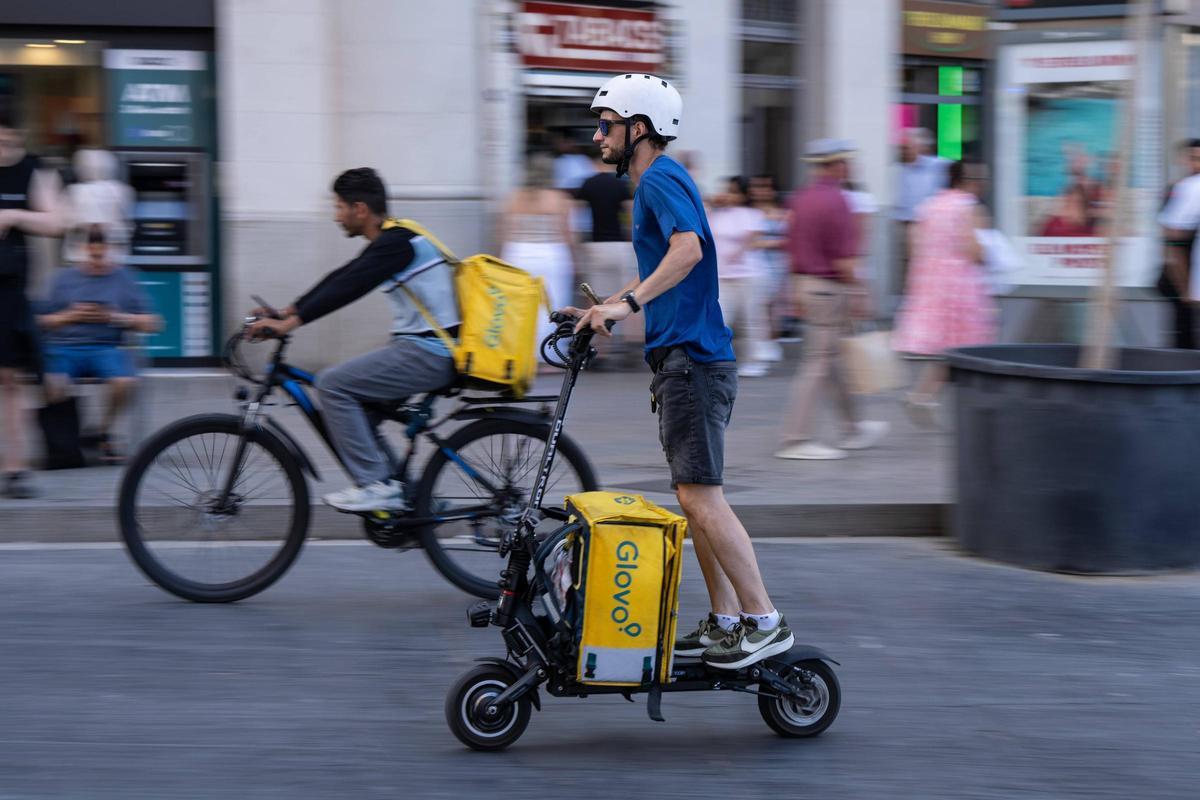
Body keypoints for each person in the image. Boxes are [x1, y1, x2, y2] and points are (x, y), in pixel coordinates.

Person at [568, 72, 794, 670]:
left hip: (693, 362)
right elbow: (665, 269)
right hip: (688, 360)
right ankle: (725, 622)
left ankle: (763, 621)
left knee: (702, 497)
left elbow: (688, 250)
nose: (598, 137)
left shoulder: (659, 179)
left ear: (637, 129)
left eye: (606, 125)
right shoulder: (660, 181)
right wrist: (604, 306)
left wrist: (628, 305)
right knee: (693, 499)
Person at [244, 168, 459, 512]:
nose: (336, 216)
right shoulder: (393, 239)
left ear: (360, 209)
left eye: (339, 207)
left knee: (333, 385)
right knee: (359, 413)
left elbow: (350, 287)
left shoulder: (397, 244)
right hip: (423, 349)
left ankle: (376, 485)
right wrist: (288, 312)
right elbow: (342, 276)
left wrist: (292, 323)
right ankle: (411, 498)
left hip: (430, 352)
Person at [775, 139, 888, 461]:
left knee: (833, 360)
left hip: (808, 285)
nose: (850, 167)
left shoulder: (800, 199)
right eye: (846, 162)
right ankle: (795, 438)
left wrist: (794, 289)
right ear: (836, 165)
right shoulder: (838, 201)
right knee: (818, 363)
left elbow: (791, 248)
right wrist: (861, 293)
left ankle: (854, 426)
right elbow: (845, 260)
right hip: (829, 289)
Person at [38, 225, 161, 463]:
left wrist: (115, 317)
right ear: (82, 251)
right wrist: (70, 316)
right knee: (54, 383)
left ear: (109, 251)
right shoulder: (63, 279)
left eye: (102, 255)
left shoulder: (124, 278)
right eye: (92, 255)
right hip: (65, 346)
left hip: (106, 346)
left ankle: (103, 431)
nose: (97, 261)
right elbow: (41, 321)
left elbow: (153, 323)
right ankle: (67, 441)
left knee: (123, 382)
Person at [892, 160, 997, 425]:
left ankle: (922, 395)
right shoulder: (967, 207)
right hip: (962, 287)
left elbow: (914, 247)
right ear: (970, 180)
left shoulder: (929, 206)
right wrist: (988, 253)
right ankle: (969, 405)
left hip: (932, 285)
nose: (983, 185)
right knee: (971, 347)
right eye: (981, 179)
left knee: (950, 350)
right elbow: (974, 250)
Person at [0, 108, 65, 498]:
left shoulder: (34, 170)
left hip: (10, 292)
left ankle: (15, 469)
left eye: (9, 142)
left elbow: (58, 221)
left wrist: (13, 214)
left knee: (11, 382)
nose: (4, 149)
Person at [498, 153, 575, 361]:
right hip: (550, 253)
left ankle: (521, 352)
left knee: (519, 305)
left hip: (518, 252)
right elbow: (567, 234)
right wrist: (575, 260)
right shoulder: (560, 199)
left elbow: (504, 231)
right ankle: (549, 354)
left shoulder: (514, 197)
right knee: (552, 304)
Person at [573, 145, 638, 365]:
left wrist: (580, 243)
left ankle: (602, 350)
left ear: (592, 163)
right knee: (631, 295)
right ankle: (633, 344)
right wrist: (632, 239)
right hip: (620, 245)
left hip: (596, 245)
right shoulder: (621, 184)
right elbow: (631, 212)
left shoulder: (587, 184)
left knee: (596, 298)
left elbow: (577, 215)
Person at [710, 175, 769, 377]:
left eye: (734, 191)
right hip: (723, 275)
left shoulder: (752, 214)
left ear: (744, 194)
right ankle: (720, 358)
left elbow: (751, 240)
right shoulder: (717, 214)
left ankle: (755, 360)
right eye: (728, 190)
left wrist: (736, 252)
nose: (729, 195)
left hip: (749, 274)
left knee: (751, 320)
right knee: (722, 319)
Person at [1157, 139, 1200, 349]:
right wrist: (1184, 287)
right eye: (1193, 158)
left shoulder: (1189, 188)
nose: (1196, 164)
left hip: (1188, 278)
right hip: (1185, 278)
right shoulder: (1185, 189)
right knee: (1185, 335)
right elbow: (1172, 240)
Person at [894, 128, 948, 291]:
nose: (904, 150)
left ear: (922, 147)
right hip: (907, 224)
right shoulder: (898, 169)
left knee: (932, 265)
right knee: (910, 265)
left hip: (932, 225)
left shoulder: (940, 166)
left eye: (909, 146)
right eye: (904, 147)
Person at [63, 148, 135, 265]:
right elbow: (127, 226)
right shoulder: (123, 191)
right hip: (113, 259)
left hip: (81, 259)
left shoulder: (74, 191)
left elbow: (67, 222)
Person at [748, 174, 789, 358]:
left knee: (775, 305)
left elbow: (790, 239)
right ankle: (762, 342)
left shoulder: (782, 211)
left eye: (766, 187)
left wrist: (765, 243)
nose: (761, 191)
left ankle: (772, 340)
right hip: (753, 263)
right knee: (759, 304)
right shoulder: (747, 211)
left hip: (777, 263)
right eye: (757, 187)